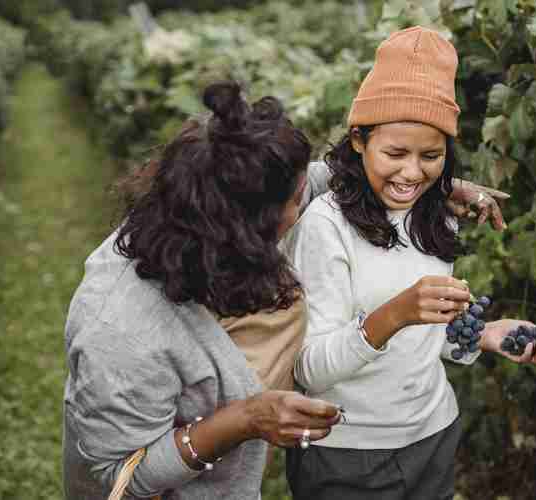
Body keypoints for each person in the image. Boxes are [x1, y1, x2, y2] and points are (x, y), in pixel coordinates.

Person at [62, 80, 510, 499]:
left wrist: (432, 185)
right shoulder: (121, 331)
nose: (311, 201)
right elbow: (121, 476)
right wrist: (245, 419)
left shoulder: (204, 213)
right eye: (298, 200)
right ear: (245, 227)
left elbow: (318, 178)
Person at [283, 26, 536, 500]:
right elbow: (309, 369)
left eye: (431, 156)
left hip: (432, 435)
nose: (413, 172)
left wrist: (484, 335)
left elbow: (423, 339)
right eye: (395, 153)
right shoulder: (324, 228)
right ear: (357, 140)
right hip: (346, 453)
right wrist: (396, 313)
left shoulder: (435, 217)